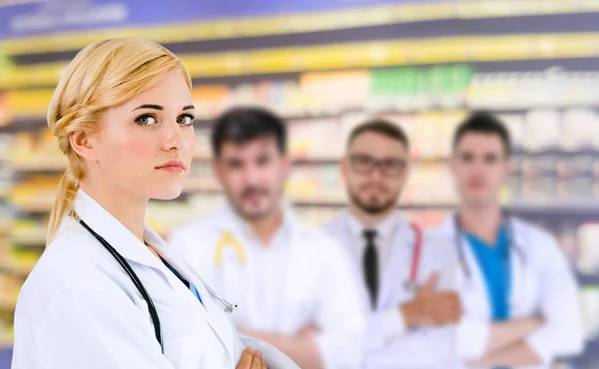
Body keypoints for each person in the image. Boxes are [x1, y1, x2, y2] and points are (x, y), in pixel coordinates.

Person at [12, 38, 299, 369]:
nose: (175, 140)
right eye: (146, 119)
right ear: (83, 140)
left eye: (185, 119)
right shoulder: (76, 285)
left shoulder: (156, 257)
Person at [169, 106, 365, 369]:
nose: (252, 179)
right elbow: (182, 349)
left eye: (262, 161)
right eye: (236, 164)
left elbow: (350, 352)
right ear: (218, 170)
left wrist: (230, 337)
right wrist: (302, 347)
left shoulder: (322, 250)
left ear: (285, 164)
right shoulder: (188, 247)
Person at [431, 111, 584, 368]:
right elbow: (442, 338)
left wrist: (482, 359)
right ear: (452, 166)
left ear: (506, 169)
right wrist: (536, 322)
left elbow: (569, 332)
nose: (478, 170)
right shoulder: (426, 250)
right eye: (468, 158)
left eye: (490, 159)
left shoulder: (540, 245)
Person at [323, 119, 461, 368]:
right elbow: (312, 348)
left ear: (406, 173)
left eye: (390, 165)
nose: (376, 175)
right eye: (364, 162)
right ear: (344, 168)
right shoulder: (312, 250)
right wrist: (406, 315)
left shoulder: (438, 254)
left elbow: (438, 354)